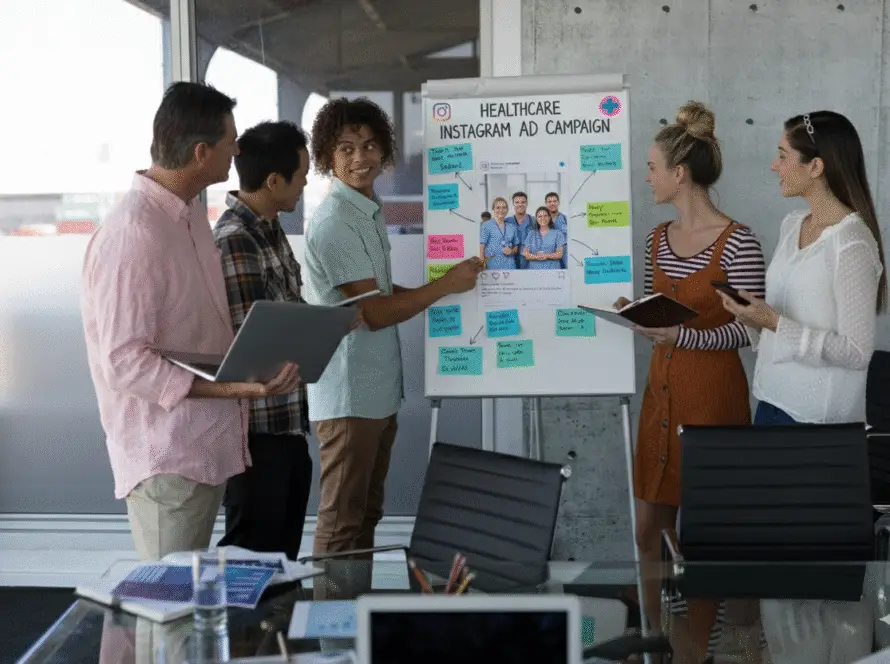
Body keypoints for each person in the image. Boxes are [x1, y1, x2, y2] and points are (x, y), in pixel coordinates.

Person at [80, 82, 299, 561]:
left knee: (189, 610)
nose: (237, 151)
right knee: (169, 614)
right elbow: (125, 364)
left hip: (204, 449)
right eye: (230, 142)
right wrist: (234, 389)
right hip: (167, 457)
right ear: (202, 153)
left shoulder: (188, 215)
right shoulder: (133, 234)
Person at [720, 110, 886, 664]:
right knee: (778, 583)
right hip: (771, 413)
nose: (774, 165)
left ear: (816, 167)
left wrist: (775, 324)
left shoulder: (853, 243)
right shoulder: (793, 228)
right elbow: (778, 329)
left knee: (821, 590)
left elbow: (857, 351)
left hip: (819, 434)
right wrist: (749, 320)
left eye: (784, 157)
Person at [302, 97, 483, 562]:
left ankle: (353, 624)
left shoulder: (364, 208)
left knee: (364, 515)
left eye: (369, 145)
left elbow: (378, 292)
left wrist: (436, 287)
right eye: (345, 149)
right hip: (348, 397)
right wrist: (443, 287)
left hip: (374, 391)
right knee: (342, 522)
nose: (360, 157)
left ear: (384, 151)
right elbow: (377, 312)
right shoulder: (336, 221)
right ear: (327, 157)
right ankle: (335, 634)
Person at [617, 101, 766, 662]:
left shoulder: (739, 242)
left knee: (703, 534)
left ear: (679, 173)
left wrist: (686, 339)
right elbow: (667, 315)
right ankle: (655, 635)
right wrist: (636, 313)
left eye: (652, 166)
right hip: (662, 393)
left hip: (712, 399)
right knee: (648, 526)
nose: (647, 176)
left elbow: (748, 332)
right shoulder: (656, 240)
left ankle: (698, 648)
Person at [213, 121, 348, 561]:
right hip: (257, 436)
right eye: (302, 174)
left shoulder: (270, 229)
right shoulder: (236, 240)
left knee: (282, 563)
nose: (306, 182)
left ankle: (277, 632)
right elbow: (255, 342)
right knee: (252, 565)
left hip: (288, 422)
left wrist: (325, 323)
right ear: (274, 181)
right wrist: (319, 327)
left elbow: (285, 313)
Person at [479, 196, 519, 270]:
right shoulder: (486, 225)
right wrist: (482, 262)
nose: (501, 210)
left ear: (507, 210)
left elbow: (516, 246)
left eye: (504, 207)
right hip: (492, 264)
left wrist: (512, 251)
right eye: (498, 207)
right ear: (493, 209)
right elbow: (482, 245)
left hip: (509, 265)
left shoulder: (512, 227)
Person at [506, 191, 533, 268]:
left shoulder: (534, 221)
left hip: (530, 261)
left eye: (523, 202)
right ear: (513, 204)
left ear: (527, 203)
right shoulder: (507, 221)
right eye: (517, 202)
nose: (520, 204)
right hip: (511, 260)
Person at [545, 192, 569, 268]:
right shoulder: (542, 220)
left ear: (558, 202)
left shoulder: (565, 219)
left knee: (569, 270)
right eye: (549, 201)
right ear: (546, 203)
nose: (552, 204)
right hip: (550, 251)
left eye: (554, 201)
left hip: (565, 250)